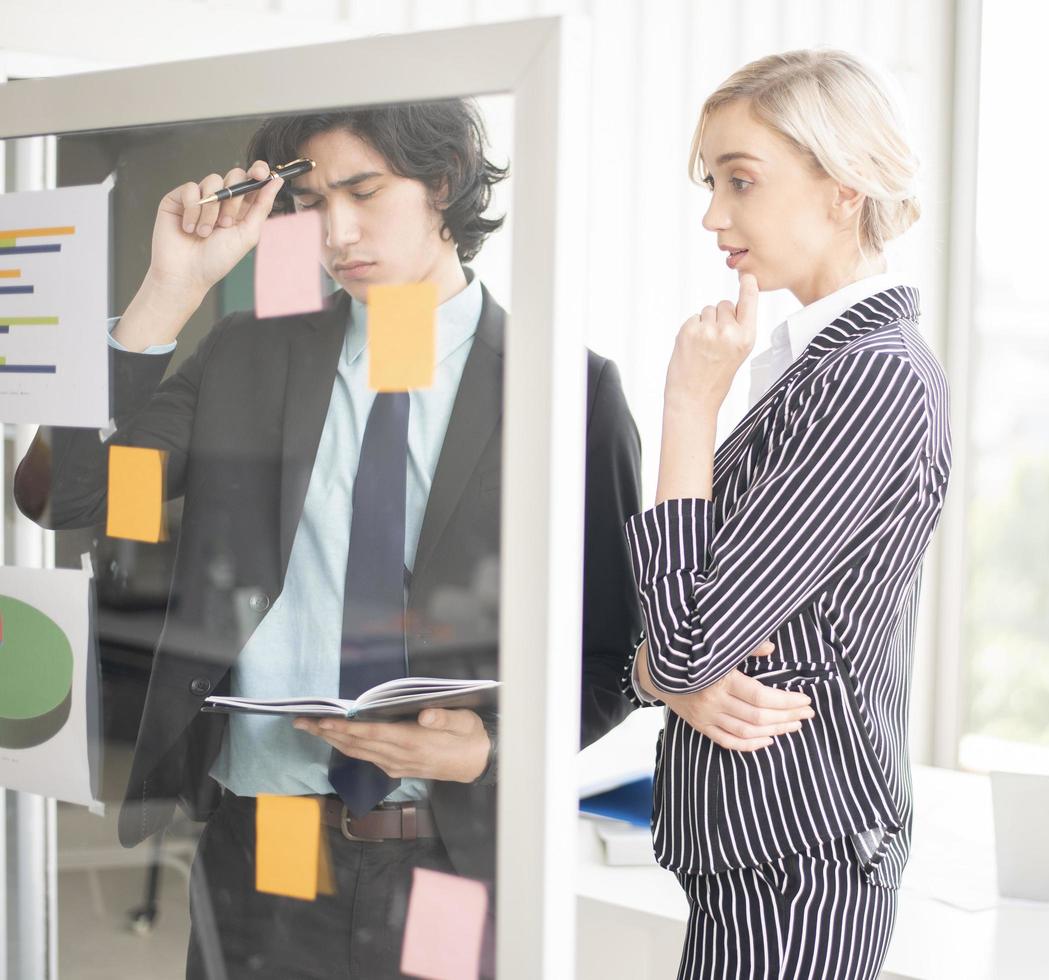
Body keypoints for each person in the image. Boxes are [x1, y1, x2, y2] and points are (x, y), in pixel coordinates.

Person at [15, 100, 642, 978]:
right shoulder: (249, 358)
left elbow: (611, 653)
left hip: (448, 852)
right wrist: (171, 291)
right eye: (311, 206)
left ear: (446, 181)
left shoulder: (567, 391)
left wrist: (492, 745)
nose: (336, 233)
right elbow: (67, 496)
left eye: (364, 191)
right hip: (269, 830)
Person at [622, 49, 951, 979]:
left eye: (741, 182)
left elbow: (683, 645)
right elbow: (679, 645)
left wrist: (688, 408)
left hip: (802, 862)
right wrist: (663, 667)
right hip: (759, 861)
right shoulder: (814, 371)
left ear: (844, 185)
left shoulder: (873, 379)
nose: (713, 215)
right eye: (712, 183)